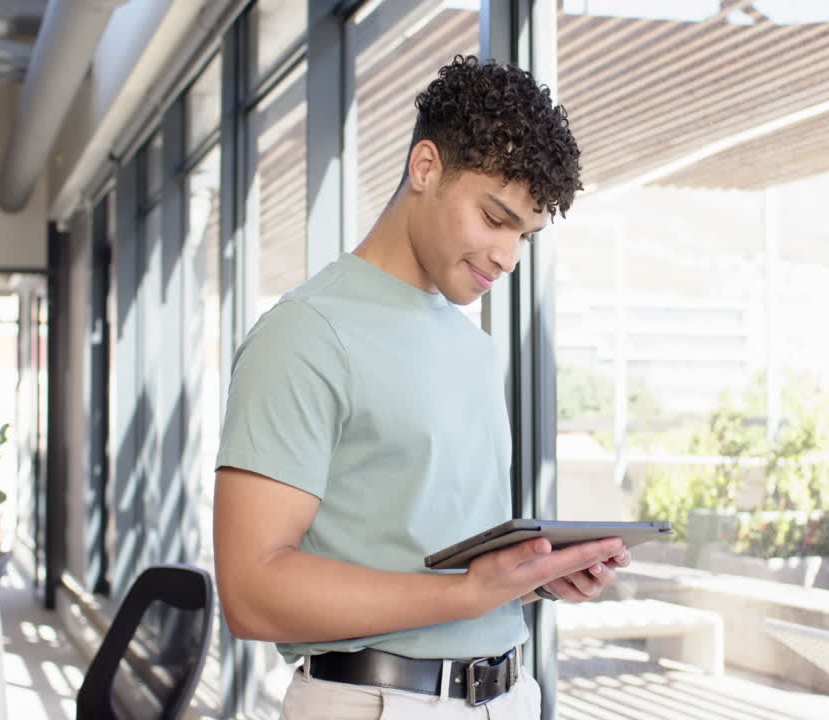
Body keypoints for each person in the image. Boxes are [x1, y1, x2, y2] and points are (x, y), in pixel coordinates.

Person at [213, 55, 629, 719]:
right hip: (378, 702)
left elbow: (430, 566)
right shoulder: (304, 334)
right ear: (425, 168)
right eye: (494, 220)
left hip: (511, 696)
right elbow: (250, 590)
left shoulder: (472, 345)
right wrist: (467, 596)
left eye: (524, 234)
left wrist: (532, 580)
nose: (507, 256)